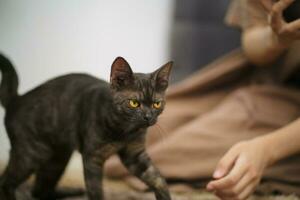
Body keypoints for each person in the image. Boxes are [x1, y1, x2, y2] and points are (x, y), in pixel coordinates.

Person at [104, 0, 300, 199]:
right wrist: (278, 38)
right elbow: (254, 44)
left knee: (130, 162)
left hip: (287, 114)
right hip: (260, 82)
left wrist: (266, 151)